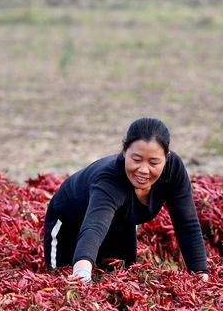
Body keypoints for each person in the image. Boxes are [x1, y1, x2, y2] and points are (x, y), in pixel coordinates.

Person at [42, 118, 209, 283]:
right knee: (65, 283)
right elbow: (94, 228)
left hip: (120, 222)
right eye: (136, 160)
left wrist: (201, 275)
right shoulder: (110, 180)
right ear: (124, 152)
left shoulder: (173, 170)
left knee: (123, 280)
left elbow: (186, 224)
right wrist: (82, 273)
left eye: (154, 162)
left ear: (167, 157)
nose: (144, 170)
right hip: (70, 224)